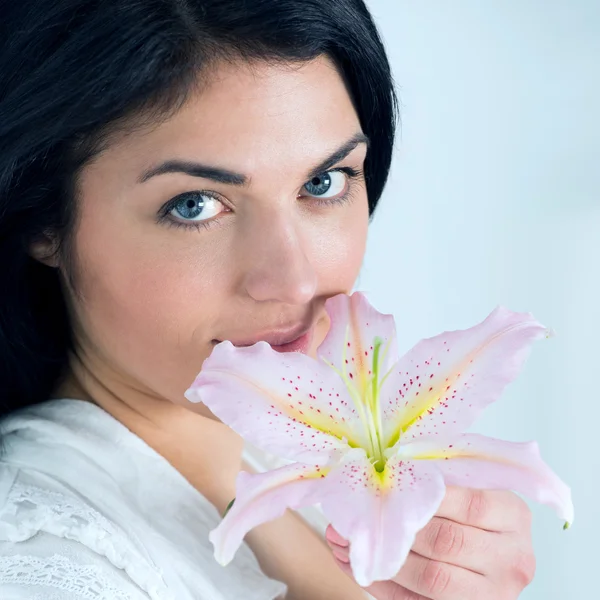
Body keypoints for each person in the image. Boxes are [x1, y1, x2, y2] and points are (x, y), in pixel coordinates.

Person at [0, 1, 536, 598]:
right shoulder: (41, 555)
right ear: (42, 222)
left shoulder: (305, 473)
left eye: (323, 182)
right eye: (194, 205)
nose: (296, 282)